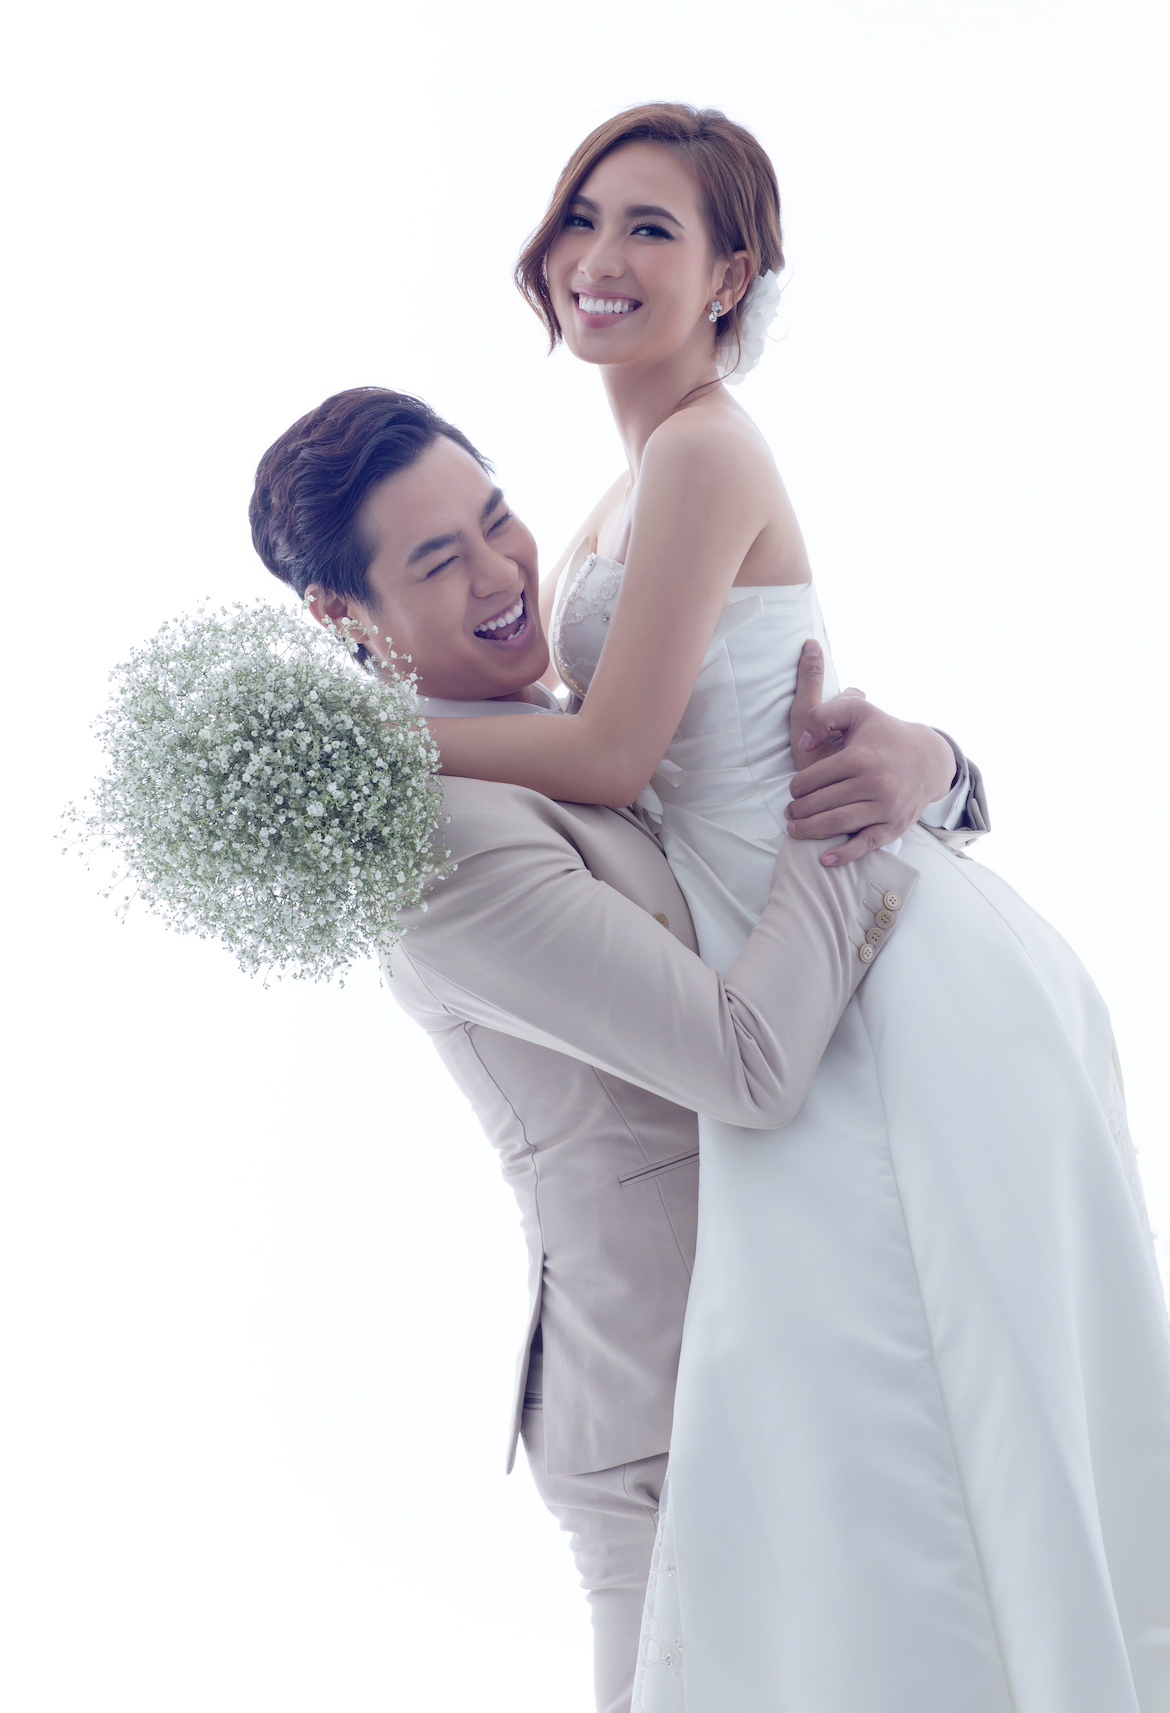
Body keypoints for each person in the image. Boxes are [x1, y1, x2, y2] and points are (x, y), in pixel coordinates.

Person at [416, 106, 1170, 1711]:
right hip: (784, 940)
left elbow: (610, 756)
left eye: (651, 229)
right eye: (581, 217)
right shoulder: (624, 483)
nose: (598, 257)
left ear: (729, 276)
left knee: (937, 1405)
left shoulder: (700, 450)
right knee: (865, 1432)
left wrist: (369, 745)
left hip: (869, 961)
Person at [249, 385, 988, 1713]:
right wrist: (841, 822)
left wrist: (927, 762)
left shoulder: (586, 731)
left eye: (496, 519)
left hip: (793, 1339)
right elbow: (748, 1064)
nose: (499, 574)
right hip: (665, 1414)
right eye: (437, 560)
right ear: (341, 616)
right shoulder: (440, 840)